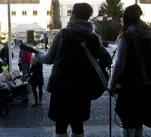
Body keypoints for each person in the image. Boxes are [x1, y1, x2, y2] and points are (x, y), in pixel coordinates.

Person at [33, 3, 112, 137]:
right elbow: (108, 60)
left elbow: (48, 59)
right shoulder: (94, 38)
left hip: (61, 88)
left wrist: (36, 55)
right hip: (83, 88)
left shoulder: (62, 35)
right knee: (77, 124)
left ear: (73, 15)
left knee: (61, 125)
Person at [107, 4, 151, 137]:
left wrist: (111, 85)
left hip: (130, 85)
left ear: (125, 20)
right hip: (148, 83)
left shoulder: (126, 37)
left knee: (127, 120)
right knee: (139, 120)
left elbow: (119, 65)